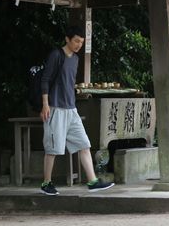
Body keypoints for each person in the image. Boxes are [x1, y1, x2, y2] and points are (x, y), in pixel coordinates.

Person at [40, 26, 114, 195]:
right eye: (76, 41)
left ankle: (93, 181)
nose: (79, 45)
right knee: (53, 149)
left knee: (84, 144)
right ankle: (46, 183)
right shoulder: (56, 55)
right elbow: (45, 80)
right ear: (67, 39)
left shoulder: (75, 59)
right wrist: (45, 104)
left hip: (71, 108)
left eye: (81, 42)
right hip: (55, 108)